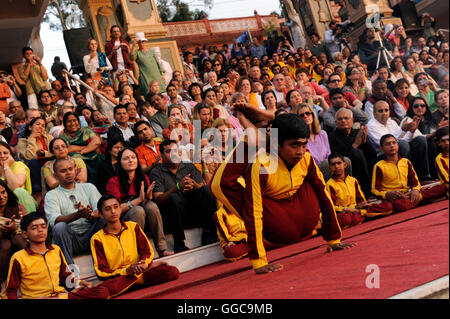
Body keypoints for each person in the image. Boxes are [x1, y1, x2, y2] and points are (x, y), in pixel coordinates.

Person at [236, 114, 352, 274]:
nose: (301, 151)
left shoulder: (306, 159)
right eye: (294, 145)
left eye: (304, 145)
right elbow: (254, 212)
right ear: (277, 144)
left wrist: (334, 239)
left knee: (319, 188)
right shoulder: (261, 165)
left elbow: (323, 196)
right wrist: (259, 262)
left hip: (303, 217)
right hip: (276, 221)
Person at [2, 211, 109, 299]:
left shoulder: (56, 250)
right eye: (34, 228)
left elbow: (66, 278)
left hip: (60, 296)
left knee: (102, 291)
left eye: (43, 226)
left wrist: (81, 284)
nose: (40, 230)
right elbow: (10, 291)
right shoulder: (19, 258)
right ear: (24, 234)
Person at [90, 195, 179, 298]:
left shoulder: (133, 227)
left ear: (120, 208)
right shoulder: (97, 238)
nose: (113, 211)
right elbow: (101, 271)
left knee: (172, 271)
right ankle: (134, 282)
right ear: (101, 214)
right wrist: (127, 271)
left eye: (116, 207)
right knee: (107, 289)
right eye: (107, 209)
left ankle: (129, 285)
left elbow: (147, 252)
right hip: (119, 277)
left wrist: (144, 265)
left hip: (138, 272)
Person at [150, 140, 218, 253]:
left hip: (192, 209)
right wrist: (177, 187)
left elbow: (202, 185)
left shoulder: (188, 166)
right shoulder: (156, 172)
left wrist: (194, 184)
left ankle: (209, 234)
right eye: (168, 151)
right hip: (172, 214)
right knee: (174, 198)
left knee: (206, 190)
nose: (173, 154)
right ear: (161, 155)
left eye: (176, 150)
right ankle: (179, 243)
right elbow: (158, 198)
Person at [105, 148, 172, 257]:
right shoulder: (114, 181)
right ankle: (138, 252)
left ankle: (161, 249)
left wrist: (148, 197)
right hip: (122, 219)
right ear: (120, 163)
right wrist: (137, 201)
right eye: (126, 158)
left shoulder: (143, 177)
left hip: (143, 217)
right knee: (138, 210)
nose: (130, 160)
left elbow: (146, 200)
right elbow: (115, 210)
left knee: (151, 206)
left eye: (133, 157)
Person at [44, 158, 105, 265]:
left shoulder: (89, 187)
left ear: (75, 170)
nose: (68, 173)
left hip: (91, 234)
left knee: (104, 219)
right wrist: (78, 215)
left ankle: (107, 262)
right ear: (55, 176)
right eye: (63, 171)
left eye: (70, 169)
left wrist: (90, 215)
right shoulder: (51, 195)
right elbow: (55, 220)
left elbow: (101, 210)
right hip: (70, 239)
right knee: (60, 228)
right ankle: (70, 271)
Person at [371, 134, 447, 212]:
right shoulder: (379, 166)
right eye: (388, 144)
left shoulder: (405, 162)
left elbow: (415, 182)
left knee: (443, 187)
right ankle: (419, 200)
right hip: (395, 198)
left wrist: (415, 190)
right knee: (398, 205)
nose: (392, 146)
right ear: (382, 149)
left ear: (398, 145)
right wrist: (387, 194)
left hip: (408, 194)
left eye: (394, 143)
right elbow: (374, 190)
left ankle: (417, 199)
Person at [325, 153, 393, 229]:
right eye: (333, 164)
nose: (336, 166)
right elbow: (331, 207)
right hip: (344, 212)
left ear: (345, 165)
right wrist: (345, 209)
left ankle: (359, 216)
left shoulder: (353, 180)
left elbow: (360, 199)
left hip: (357, 209)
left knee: (388, 206)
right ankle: (362, 216)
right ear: (330, 168)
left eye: (339, 163)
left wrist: (363, 204)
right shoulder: (329, 185)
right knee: (345, 219)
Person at [367, 100, 431, 180]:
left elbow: (403, 138)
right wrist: (404, 129)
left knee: (420, 140)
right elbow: (387, 143)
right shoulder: (371, 126)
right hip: (384, 155)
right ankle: (408, 179)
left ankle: (423, 177)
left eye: (386, 110)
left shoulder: (391, 122)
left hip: (398, 149)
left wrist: (411, 131)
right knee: (402, 145)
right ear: (374, 113)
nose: (384, 113)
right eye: (380, 111)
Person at [328, 108, 377, 195]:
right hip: (347, 167)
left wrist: (365, 141)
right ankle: (367, 190)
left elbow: (372, 153)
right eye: (340, 119)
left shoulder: (357, 132)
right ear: (336, 122)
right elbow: (340, 157)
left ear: (352, 120)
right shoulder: (332, 136)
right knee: (357, 153)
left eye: (346, 118)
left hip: (365, 165)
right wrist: (355, 144)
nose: (343, 121)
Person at [59, 112, 102, 185]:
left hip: (93, 157)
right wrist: (90, 146)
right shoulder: (63, 137)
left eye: (74, 120)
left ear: (78, 122)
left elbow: (97, 141)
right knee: (76, 157)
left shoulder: (85, 130)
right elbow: (68, 149)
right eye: (69, 121)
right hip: (78, 162)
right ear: (65, 124)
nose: (72, 123)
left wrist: (83, 151)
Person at [0, 179, 27, 286]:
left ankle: (34, 269)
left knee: (16, 236)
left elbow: (29, 229)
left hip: (18, 248)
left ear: (7, 192)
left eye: (3, 192)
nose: (1, 197)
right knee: (5, 244)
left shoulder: (18, 208)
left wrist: (14, 229)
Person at [0, 142, 37, 214]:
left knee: (19, 191)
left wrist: (6, 166)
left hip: (21, 201)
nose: (2, 156)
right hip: (2, 203)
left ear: (10, 154)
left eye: (5, 153)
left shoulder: (18, 165)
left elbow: (15, 187)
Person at [295, 103, 330, 170]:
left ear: (312, 115)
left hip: (327, 168)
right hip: (310, 171)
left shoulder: (323, 134)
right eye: (302, 115)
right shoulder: (298, 138)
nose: (305, 116)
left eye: (307, 113)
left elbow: (328, 154)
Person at [130, 32, 165, 97]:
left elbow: (157, 63)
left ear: (145, 42)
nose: (141, 43)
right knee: (149, 95)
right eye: (139, 42)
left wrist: (162, 75)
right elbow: (131, 58)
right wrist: (133, 45)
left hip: (156, 75)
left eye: (143, 41)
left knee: (161, 93)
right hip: (145, 76)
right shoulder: (137, 53)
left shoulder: (151, 51)